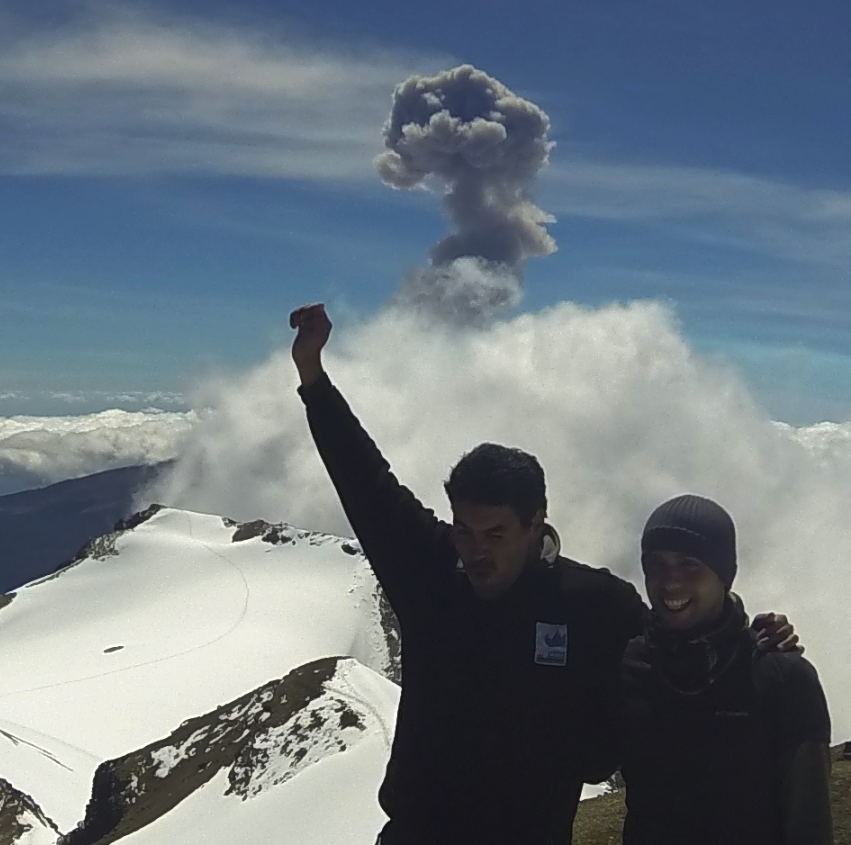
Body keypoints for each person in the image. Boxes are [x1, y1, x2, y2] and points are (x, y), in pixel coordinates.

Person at [288, 303, 799, 845]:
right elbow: (365, 482)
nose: (474, 550)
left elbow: (680, 645)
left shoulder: (593, 603)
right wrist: (312, 376)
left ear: (536, 526)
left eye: (495, 534)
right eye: (464, 529)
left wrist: (751, 641)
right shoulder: (431, 572)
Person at [618, 494, 832, 845]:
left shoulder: (783, 677)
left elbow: (810, 823)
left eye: (690, 564)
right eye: (656, 564)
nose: (670, 582)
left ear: (725, 575)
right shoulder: (631, 663)